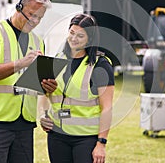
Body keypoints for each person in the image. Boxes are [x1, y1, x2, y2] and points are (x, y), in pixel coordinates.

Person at [0, 0, 57, 163]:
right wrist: (21, 63)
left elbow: (37, 85)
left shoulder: (38, 41)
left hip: (24, 124)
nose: (35, 21)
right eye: (32, 15)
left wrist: (48, 86)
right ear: (19, 7)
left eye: (39, 18)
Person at [39, 14, 115, 163]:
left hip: (86, 139)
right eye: (72, 33)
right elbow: (44, 92)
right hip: (57, 135)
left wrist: (101, 143)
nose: (74, 38)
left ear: (90, 39)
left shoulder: (101, 66)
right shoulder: (58, 58)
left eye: (80, 35)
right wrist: (43, 115)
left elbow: (107, 108)